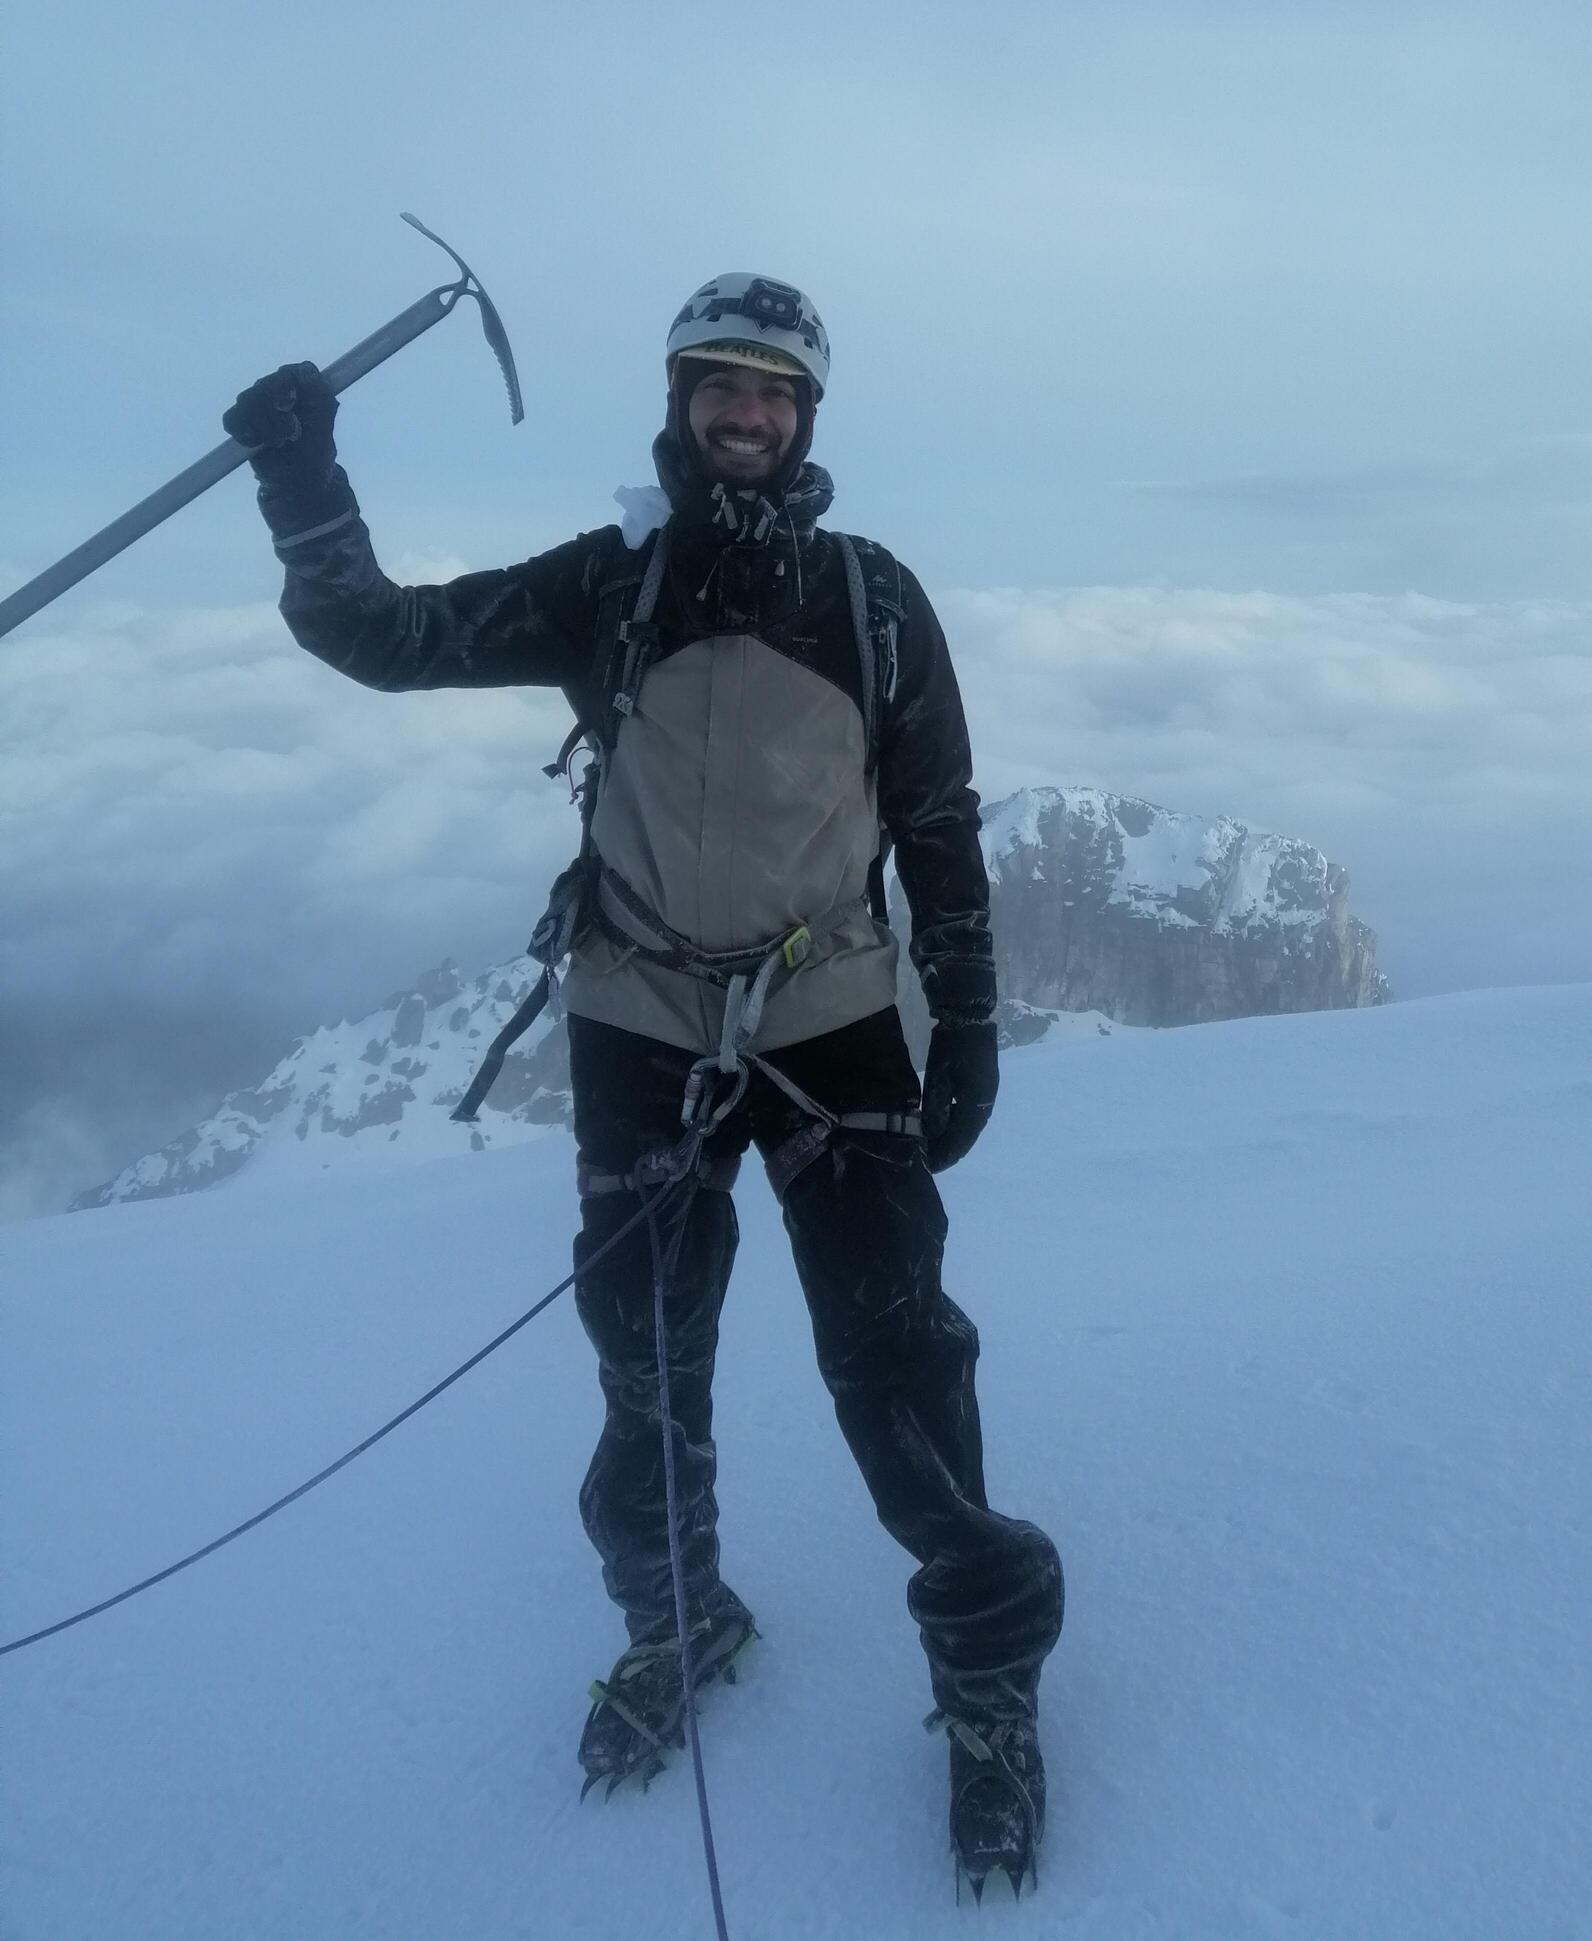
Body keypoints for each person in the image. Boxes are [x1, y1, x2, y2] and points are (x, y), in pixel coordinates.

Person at [224, 272, 1063, 1896]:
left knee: (899, 1368)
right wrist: (302, 481)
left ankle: (984, 1681)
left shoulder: (874, 600)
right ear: (681, 403)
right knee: (647, 1367)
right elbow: (380, 636)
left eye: (773, 397)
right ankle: (680, 1621)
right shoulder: (611, 583)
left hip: (826, 1022)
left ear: (805, 420)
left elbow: (941, 825)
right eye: (719, 391)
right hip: (643, 1023)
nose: (744, 419)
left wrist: (961, 1023)